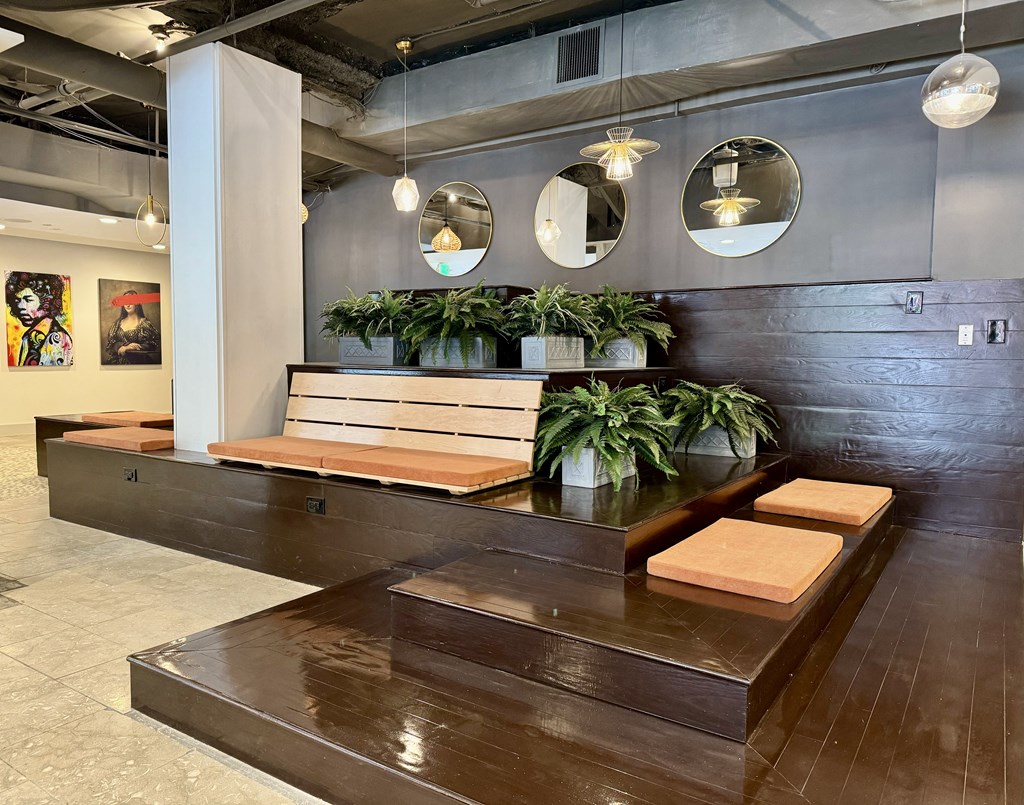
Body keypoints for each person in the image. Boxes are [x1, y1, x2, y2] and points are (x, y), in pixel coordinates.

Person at [4, 272, 73, 366]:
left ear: (46, 301)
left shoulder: (56, 338)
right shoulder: (29, 336)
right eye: (17, 301)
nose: (20, 306)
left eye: (28, 300)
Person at [104, 289, 160, 364]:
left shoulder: (144, 323)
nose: (128, 305)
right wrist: (122, 346)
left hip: (138, 362)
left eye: (131, 301)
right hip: (117, 363)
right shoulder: (117, 324)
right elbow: (111, 344)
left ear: (137, 303)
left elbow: (152, 344)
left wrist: (134, 348)